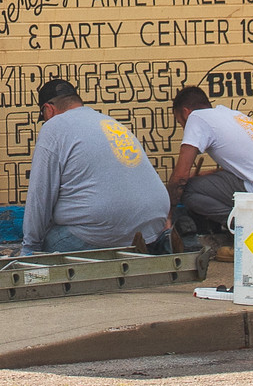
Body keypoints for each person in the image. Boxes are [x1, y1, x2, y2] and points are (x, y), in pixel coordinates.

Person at [19, 78, 173, 255]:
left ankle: (118, 248)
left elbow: (40, 196)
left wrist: (30, 248)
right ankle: (155, 244)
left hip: (101, 230)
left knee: (51, 241)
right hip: (152, 221)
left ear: (49, 109)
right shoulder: (109, 123)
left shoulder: (53, 127)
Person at [167, 86, 253, 235]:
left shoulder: (196, 118)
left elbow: (180, 177)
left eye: (181, 123)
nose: (184, 128)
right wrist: (206, 174)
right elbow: (244, 166)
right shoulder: (230, 115)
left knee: (188, 189)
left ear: (186, 112)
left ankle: (251, 226)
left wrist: (168, 215)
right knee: (199, 183)